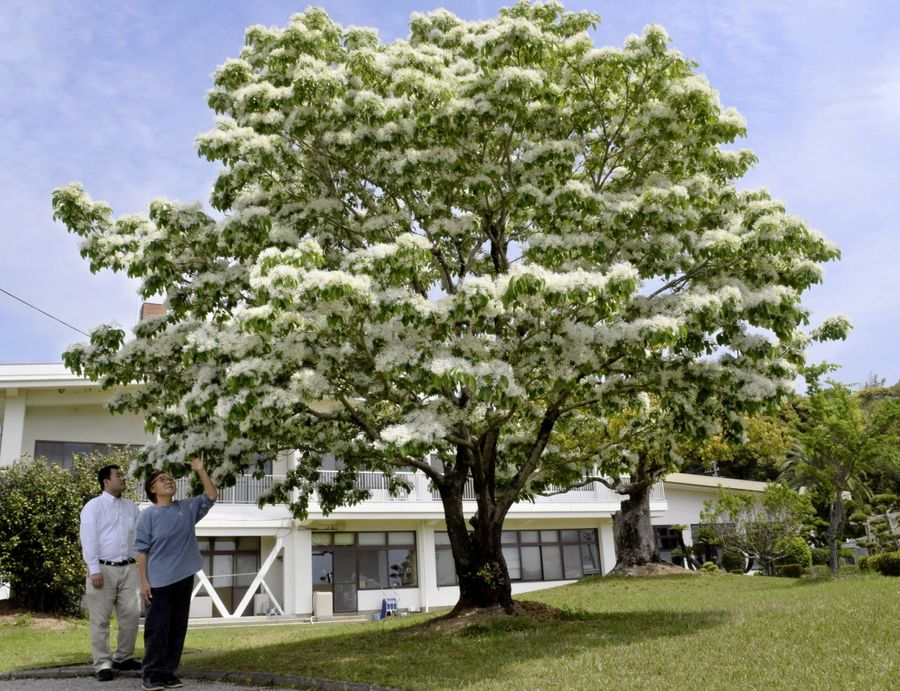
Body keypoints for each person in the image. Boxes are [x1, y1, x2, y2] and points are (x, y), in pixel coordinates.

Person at [136, 456, 217, 691]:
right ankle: (151, 674)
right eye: (161, 480)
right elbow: (141, 552)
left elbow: (211, 496)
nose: (168, 481)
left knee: (177, 627)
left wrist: (201, 470)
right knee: (156, 629)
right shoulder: (147, 516)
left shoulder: (187, 508)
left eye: (169, 478)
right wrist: (144, 582)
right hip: (158, 580)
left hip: (183, 577)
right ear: (152, 489)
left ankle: (168, 672)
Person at [79, 464, 142, 682]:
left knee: (131, 616)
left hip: (129, 569)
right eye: (118, 475)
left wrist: (138, 563)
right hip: (102, 570)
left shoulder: (131, 507)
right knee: (100, 620)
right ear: (106, 481)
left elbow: (137, 539)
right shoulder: (93, 507)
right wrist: (94, 569)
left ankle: (124, 657)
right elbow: (89, 539)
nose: (123, 479)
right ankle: (103, 664)